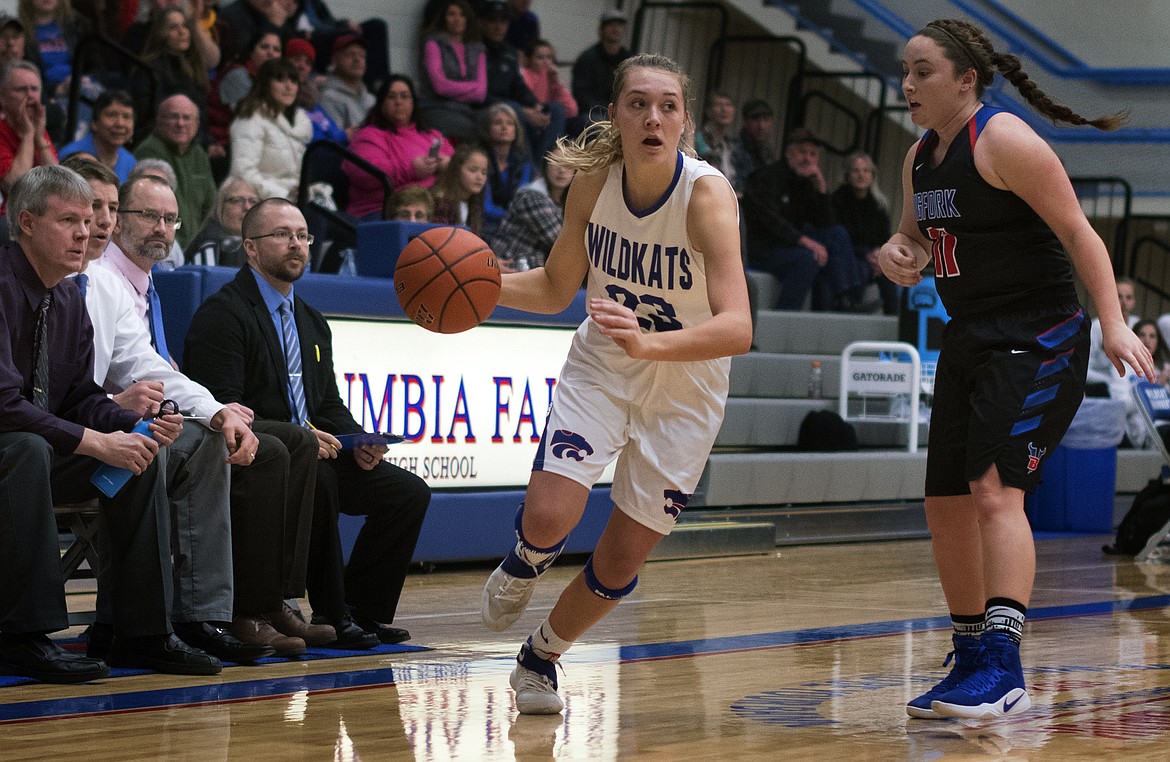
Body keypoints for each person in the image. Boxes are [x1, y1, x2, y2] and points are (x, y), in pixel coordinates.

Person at [878, 18, 1154, 720]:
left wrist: (1113, 321)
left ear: (966, 80)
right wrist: (899, 257)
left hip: (1040, 334)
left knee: (996, 491)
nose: (908, 84)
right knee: (945, 503)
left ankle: (1002, 663)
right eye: (905, 71)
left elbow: (1078, 232)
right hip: (970, 335)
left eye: (923, 71)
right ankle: (970, 655)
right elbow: (910, 240)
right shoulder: (919, 158)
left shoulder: (1002, 140)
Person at [479, 53, 751, 714]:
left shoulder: (707, 194)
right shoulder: (594, 183)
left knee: (622, 560)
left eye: (667, 105)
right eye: (638, 103)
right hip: (603, 368)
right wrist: (475, 290)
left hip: (686, 387)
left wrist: (649, 341)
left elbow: (738, 326)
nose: (652, 117)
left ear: (684, 123)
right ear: (615, 115)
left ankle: (540, 657)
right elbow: (554, 287)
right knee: (548, 516)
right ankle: (526, 559)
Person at [0, 164, 217, 680]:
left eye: (90, 218)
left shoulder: (69, 296)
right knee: (26, 448)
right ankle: (21, 635)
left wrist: (132, 423)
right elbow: (4, 403)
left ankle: (136, 632)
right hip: (13, 449)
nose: (84, 232)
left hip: (40, 446)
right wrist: (95, 440)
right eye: (69, 220)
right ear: (26, 222)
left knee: (138, 454)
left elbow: (80, 395)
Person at [183, 198, 432, 647]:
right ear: (251, 248)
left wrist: (358, 439)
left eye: (302, 235)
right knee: (320, 479)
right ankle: (333, 617)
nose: (295, 244)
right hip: (261, 457)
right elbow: (223, 405)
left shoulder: (312, 322)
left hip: (312, 448)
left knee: (407, 492)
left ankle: (364, 610)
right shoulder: (224, 314)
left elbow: (327, 403)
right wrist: (301, 434)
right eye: (281, 234)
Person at [742, 128, 864, 311]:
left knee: (837, 234)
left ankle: (849, 300)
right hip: (764, 248)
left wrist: (822, 190)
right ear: (789, 152)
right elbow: (770, 220)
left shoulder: (807, 181)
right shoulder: (767, 177)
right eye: (802, 152)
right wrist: (805, 241)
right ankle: (784, 314)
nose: (807, 159)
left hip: (790, 244)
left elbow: (826, 223)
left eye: (813, 154)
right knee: (807, 259)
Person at [342, 74, 453, 220]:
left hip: (432, 208)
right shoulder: (368, 135)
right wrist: (411, 169)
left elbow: (458, 161)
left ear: (413, 102)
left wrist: (448, 164)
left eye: (405, 96)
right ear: (381, 103)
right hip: (382, 211)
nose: (399, 102)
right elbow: (364, 173)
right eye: (391, 96)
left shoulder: (431, 135)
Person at [480, 2, 563, 168]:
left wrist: (535, 105)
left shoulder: (509, 52)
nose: (498, 27)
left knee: (556, 109)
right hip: (485, 106)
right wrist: (524, 111)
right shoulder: (476, 50)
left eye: (503, 22)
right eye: (493, 21)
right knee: (514, 110)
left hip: (512, 104)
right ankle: (529, 167)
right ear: (483, 23)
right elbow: (480, 94)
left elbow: (519, 86)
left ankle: (542, 167)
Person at [133, 93, 216, 249]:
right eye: (173, 117)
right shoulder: (150, 150)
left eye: (187, 118)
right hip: (163, 242)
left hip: (194, 246)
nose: (180, 123)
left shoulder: (199, 154)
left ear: (197, 124)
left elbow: (210, 205)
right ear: (159, 121)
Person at [229, 57, 312, 201]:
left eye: (293, 80)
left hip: (293, 200)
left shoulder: (299, 122)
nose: (289, 87)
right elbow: (243, 173)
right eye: (280, 79)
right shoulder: (250, 119)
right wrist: (283, 195)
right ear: (265, 84)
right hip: (260, 202)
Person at [831, 151, 897, 314]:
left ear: (872, 176)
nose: (861, 175)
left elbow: (885, 237)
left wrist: (879, 254)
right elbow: (842, 238)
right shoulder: (837, 200)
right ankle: (851, 305)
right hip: (850, 254)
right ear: (847, 176)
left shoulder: (879, 204)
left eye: (866, 171)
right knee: (861, 266)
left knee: (888, 270)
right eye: (856, 171)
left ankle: (893, 319)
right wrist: (869, 255)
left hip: (874, 256)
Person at [491, 147, 573, 272]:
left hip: (530, 268)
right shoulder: (531, 197)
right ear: (545, 165)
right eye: (555, 162)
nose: (561, 170)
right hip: (509, 265)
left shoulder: (565, 199)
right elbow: (562, 242)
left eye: (568, 164)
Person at [416, 0, 486, 144]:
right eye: (451, 14)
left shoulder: (478, 49)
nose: (457, 19)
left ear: (468, 19)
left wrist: (450, 86)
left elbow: (481, 94)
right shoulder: (433, 44)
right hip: (434, 106)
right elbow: (439, 87)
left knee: (499, 122)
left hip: (466, 110)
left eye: (462, 15)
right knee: (470, 130)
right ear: (443, 18)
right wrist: (472, 86)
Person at [207, 29, 283, 153]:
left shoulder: (274, 82)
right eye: (264, 47)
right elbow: (250, 118)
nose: (271, 53)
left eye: (276, 49)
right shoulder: (238, 75)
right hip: (223, 144)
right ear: (251, 52)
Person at [0, 61, 57, 200]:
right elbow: (15, 185)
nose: (30, 95)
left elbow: (58, 183)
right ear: (2, 97)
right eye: (21, 89)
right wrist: (28, 136)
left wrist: (38, 138)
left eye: (34, 89)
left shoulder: (38, 129)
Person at [478, 102, 534, 240]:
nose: (504, 127)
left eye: (510, 123)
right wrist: (513, 218)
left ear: (516, 130)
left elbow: (521, 201)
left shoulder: (523, 163)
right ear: (487, 128)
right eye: (498, 122)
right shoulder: (479, 158)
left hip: (515, 226)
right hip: (484, 225)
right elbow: (486, 208)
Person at [57, 90, 137, 183]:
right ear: (94, 123)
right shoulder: (72, 156)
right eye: (112, 115)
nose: (120, 123)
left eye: (126, 117)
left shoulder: (130, 162)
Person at [570, 10, 632, 127]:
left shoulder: (629, 60)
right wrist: (606, 111)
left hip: (621, 111)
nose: (616, 29)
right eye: (611, 25)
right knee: (598, 125)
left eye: (619, 25)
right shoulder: (587, 59)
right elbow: (581, 94)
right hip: (593, 112)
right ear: (602, 29)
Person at [185, 175, 260, 266]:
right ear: (220, 207)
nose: (247, 207)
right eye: (237, 200)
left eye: (253, 201)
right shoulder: (210, 245)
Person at [318, 33, 374, 138]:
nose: (357, 59)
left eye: (361, 55)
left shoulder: (371, 99)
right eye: (350, 54)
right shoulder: (327, 97)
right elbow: (337, 139)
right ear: (334, 61)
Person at [521, 39, 577, 139]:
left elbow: (571, 110)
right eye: (540, 58)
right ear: (529, 59)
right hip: (530, 118)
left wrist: (556, 82)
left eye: (549, 57)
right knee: (556, 109)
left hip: (549, 119)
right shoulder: (523, 74)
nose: (546, 62)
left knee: (581, 121)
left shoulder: (552, 76)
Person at [430, 142, 488, 235]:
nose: (480, 177)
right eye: (473, 170)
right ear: (456, 170)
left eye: (484, 172)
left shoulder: (474, 203)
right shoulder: (440, 201)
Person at [728, 98, 775, 196]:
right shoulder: (732, 149)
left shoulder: (766, 152)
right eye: (755, 119)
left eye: (765, 120)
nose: (761, 126)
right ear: (745, 121)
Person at [694, 91, 735, 185]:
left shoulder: (729, 143)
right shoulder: (699, 140)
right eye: (719, 105)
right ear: (708, 111)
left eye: (728, 105)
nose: (724, 110)